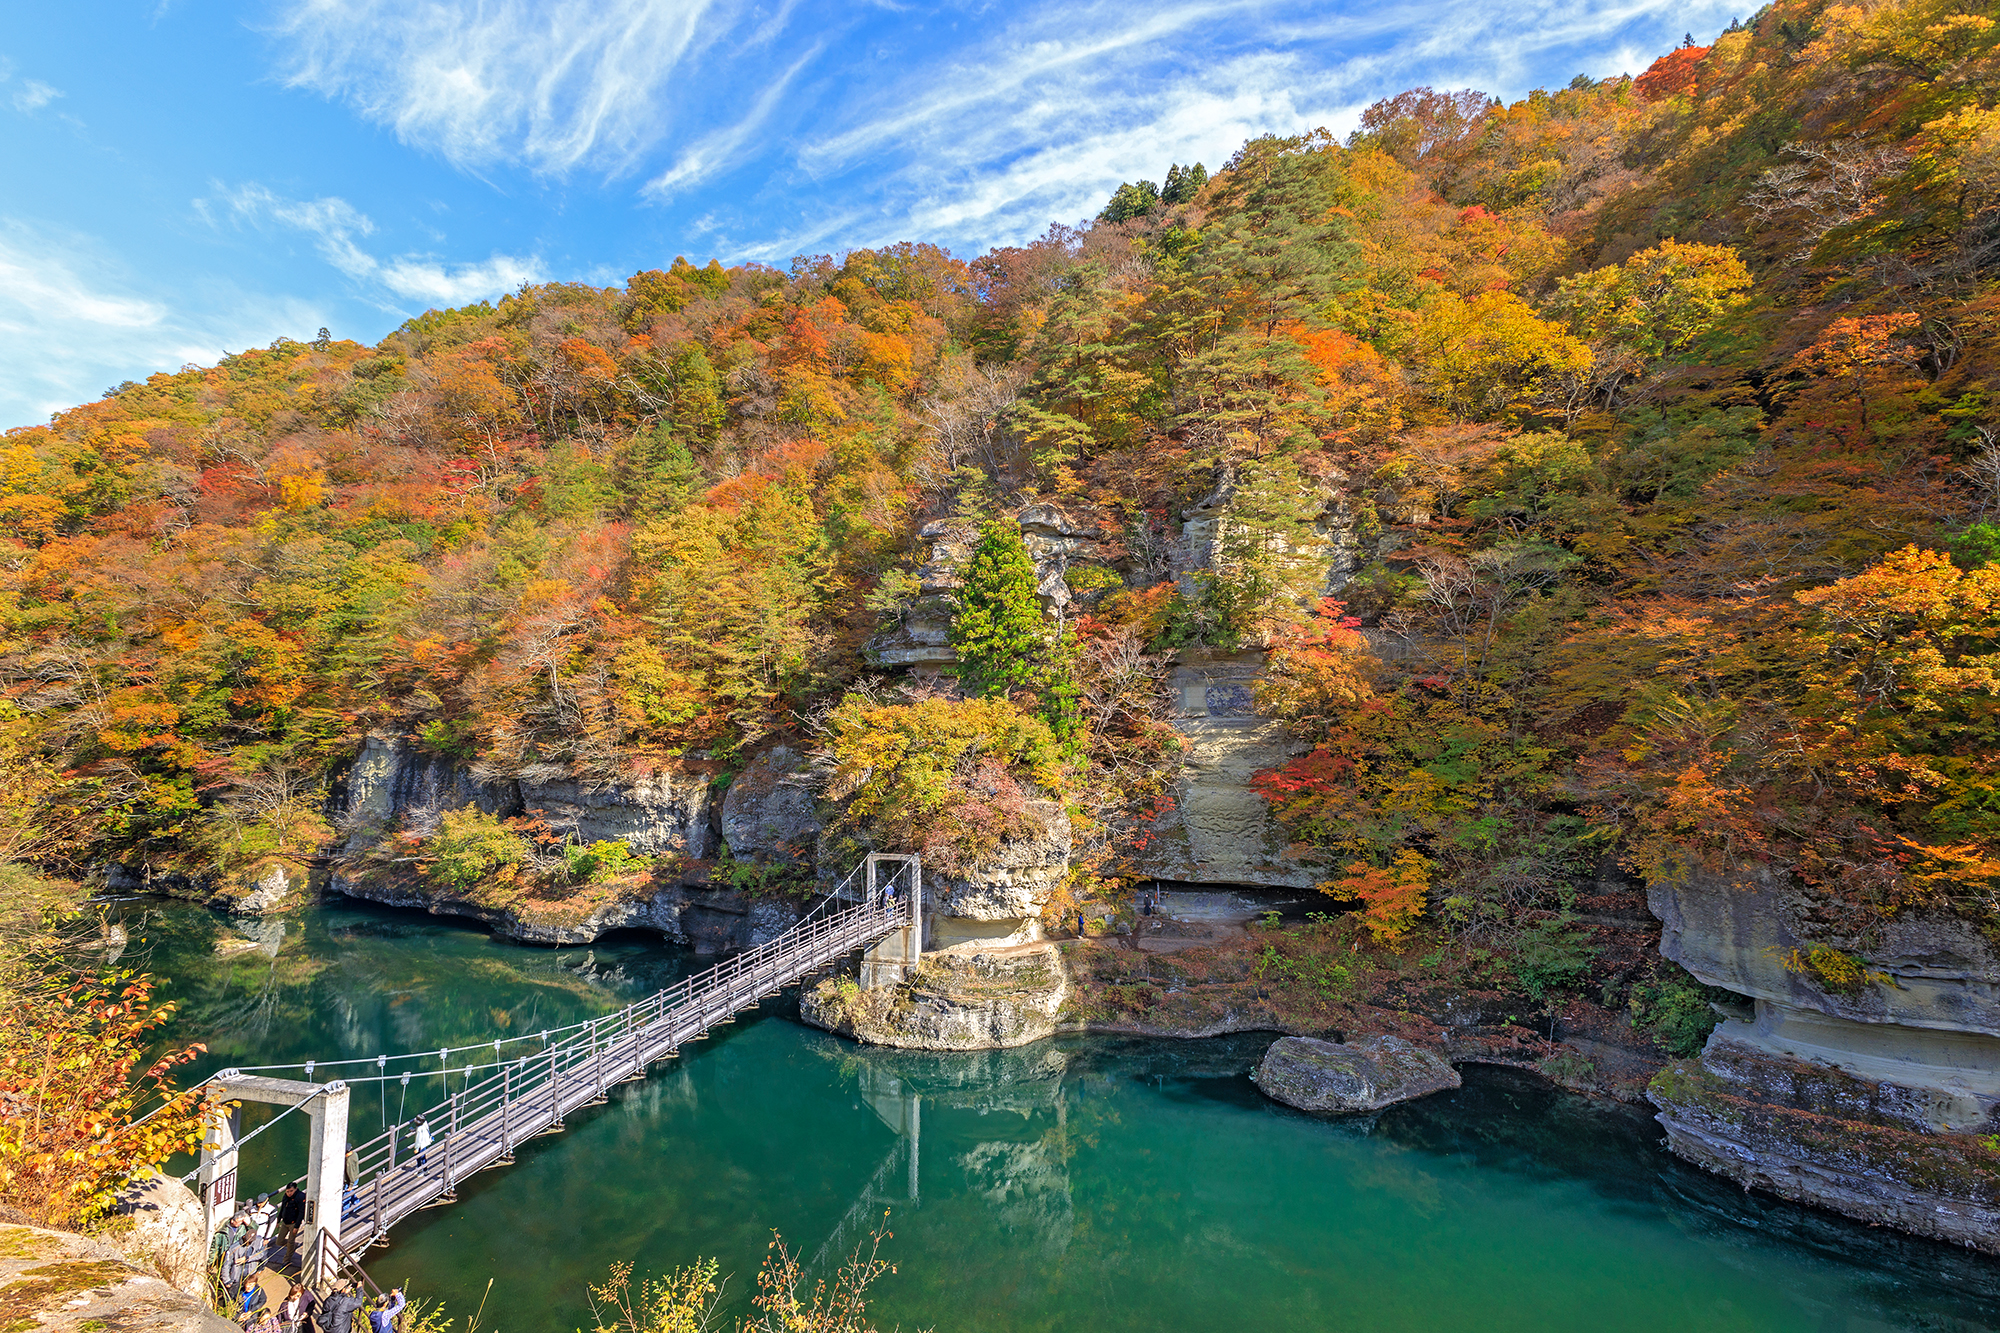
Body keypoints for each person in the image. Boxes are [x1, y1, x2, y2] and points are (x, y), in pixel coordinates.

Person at [275, 1184, 306, 1265]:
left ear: (296, 1189)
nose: (289, 1193)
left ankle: (286, 1260)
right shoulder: (286, 1196)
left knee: (290, 1241)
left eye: (291, 1191)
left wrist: (297, 1226)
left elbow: (301, 1212)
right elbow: (283, 1208)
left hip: (294, 1223)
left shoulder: (300, 1196)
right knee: (279, 1241)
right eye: (287, 1191)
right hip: (285, 1222)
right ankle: (292, 1247)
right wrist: (278, 1220)